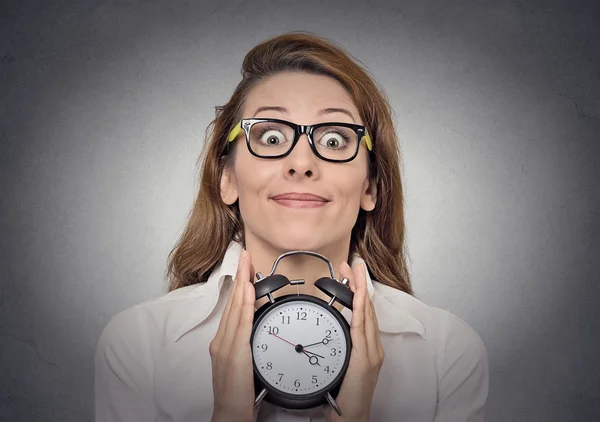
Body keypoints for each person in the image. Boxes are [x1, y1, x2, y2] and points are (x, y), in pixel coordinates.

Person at [94, 32, 489, 422]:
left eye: (334, 140)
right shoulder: (138, 344)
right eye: (270, 135)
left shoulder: (447, 353)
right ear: (227, 177)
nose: (301, 163)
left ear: (370, 186)